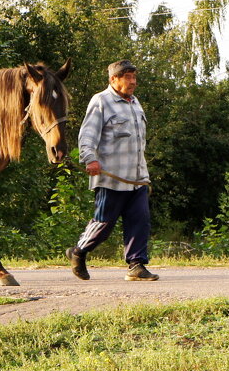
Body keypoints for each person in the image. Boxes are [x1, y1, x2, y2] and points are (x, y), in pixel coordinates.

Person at [66, 60, 159, 281]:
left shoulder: (135, 103)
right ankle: (78, 251)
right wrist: (89, 159)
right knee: (103, 224)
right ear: (113, 79)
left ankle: (136, 265)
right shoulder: (101, 101)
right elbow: (87, 135)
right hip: (111, 178)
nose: (133, 82)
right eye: (127, 77)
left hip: (137, 178)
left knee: (140, 220)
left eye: (134, 77)